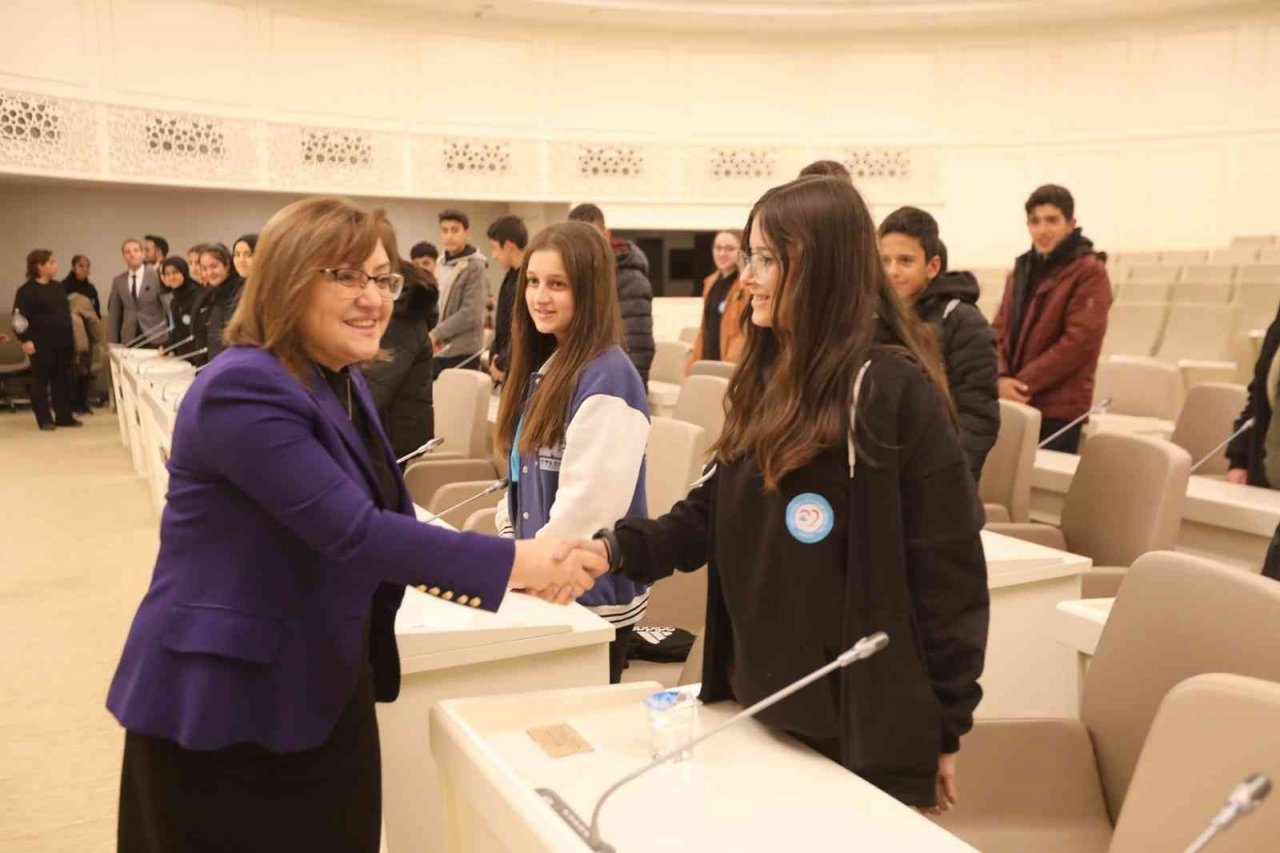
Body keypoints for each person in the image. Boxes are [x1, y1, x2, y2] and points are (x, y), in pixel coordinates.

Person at [105, 196, 606, 853]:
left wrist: (514, 568)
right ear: (287, 280)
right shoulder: (245, 387)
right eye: (347, 276)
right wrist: (525, 564)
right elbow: (357, 533)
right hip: (228, 706)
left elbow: (385, 520)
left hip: (322, 684)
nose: (374, 298)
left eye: (383, 278)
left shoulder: (336, 378)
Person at [570, 176, 989, 812]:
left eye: (767, 259)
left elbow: (949, 571)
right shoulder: (769, 375)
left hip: (851, 727)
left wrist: (947, 723)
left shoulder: (889, 389)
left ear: (819, 266)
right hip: (757, 707)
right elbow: (711, 512)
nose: (749, 276)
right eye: (749, 257)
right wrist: (611, 553)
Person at [493, 221, 652, 683]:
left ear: (590, 290)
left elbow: (587, 511)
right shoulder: (547, 365)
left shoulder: (609, 376)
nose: (540, 297)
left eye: (557, 285)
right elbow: (519, 484)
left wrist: (516, 570)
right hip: (541, 587)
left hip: (588, 601)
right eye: (534, 282)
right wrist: (511, 552)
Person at [879, 207, 999, 479]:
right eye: (884, 261)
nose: (892, 271)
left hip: (940, 480)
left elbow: (978, 418)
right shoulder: (874, 317)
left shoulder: (963, 322)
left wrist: (947, 481)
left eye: (905, 261)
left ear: (932, 267)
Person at [992, 185, 1111, 453]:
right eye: (1035, 221)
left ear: (1071, 224)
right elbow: (998, 330)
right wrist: (999, 378)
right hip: (1015, 401)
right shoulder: (1019, 271)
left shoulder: (1090, 271)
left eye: (1052, 220)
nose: (1042, 230)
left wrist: (1022, 384)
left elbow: (1080, 341)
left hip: (1058, 409)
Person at [361, 214, 437, 459]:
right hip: (377, 444)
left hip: (394, 455)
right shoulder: (390, 307)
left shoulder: (402, 315)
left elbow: (369, 397)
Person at [566, 203, 655, 385]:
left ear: (606, 234)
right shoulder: (581, 275)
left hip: (616, 387)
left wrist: (623, 391)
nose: (586, 246)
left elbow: (638, 346)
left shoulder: (631, 279)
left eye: (592, 237)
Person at [13, 250, 80, 430]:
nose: (55, 265)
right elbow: (19, 319)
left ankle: (64, 416)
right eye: (51, 263)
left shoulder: (58, 287)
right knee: (40, 381)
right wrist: (24, 340)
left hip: (63, 342)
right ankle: (44, 419)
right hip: (40, 343)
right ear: (39, 267)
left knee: (62, 379)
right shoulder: (26, 291)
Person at [429, 209, 487, 376]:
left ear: (466, 233)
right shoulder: (440, 262)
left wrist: (436, 334)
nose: (449, 236)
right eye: (445, 230)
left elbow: (471, 313)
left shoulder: (475, 266)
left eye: (455, 230)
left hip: (462, 350)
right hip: (439, 348)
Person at [685, 229, 748, 376]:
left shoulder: (746, 286)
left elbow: (745, 331)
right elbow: (704, 327)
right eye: (718, 248)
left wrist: (745, 268)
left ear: (742, 252)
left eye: (730, 249)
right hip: (708, 358)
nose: (722, 254)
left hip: (731, 362)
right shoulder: (710, 282)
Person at [486, 214, 528, 385]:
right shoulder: (510, 276)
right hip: (506, 364)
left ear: (509, 246)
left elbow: (524, 330)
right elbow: (503, 325)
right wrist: (495, 357)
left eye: (495, 248)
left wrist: (503, 361)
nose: (494, 255)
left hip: (521, 369)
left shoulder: (528, 279)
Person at [63, 254, 103, 411]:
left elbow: (96, 312)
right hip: (70, 335)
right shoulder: (64, 287)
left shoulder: (90, 288)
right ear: (73, 267)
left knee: (85, 369)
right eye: (81, 266)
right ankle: (70, 403)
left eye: (87, 266)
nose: (85, 269)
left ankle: (82, 402)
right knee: (72, 368)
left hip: (88, 334)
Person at [107, 238, 165, 345]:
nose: (132, 254)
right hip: (129, 336)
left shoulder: (156, 276)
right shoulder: (119, 281)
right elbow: (114, 314)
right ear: (124, 257)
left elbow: (168, 307)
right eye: (127, 252)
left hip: (155, 335)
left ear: (143, 254)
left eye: (136, 250)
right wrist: (112, 342)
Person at [198, 242, 245, 362]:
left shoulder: (239, 293)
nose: (209, 273)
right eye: (204, 268)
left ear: (227, 265)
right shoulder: (210, 294)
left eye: (214, 266)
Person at [158, 257, 201, 359]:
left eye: (175, 272)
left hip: (197, 356)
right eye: (167, 274)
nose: (171, 277)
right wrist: (167, 347)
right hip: (182, 356)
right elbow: (176, 330)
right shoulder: (174, 301)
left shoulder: (197, 295)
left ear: (184, 272)